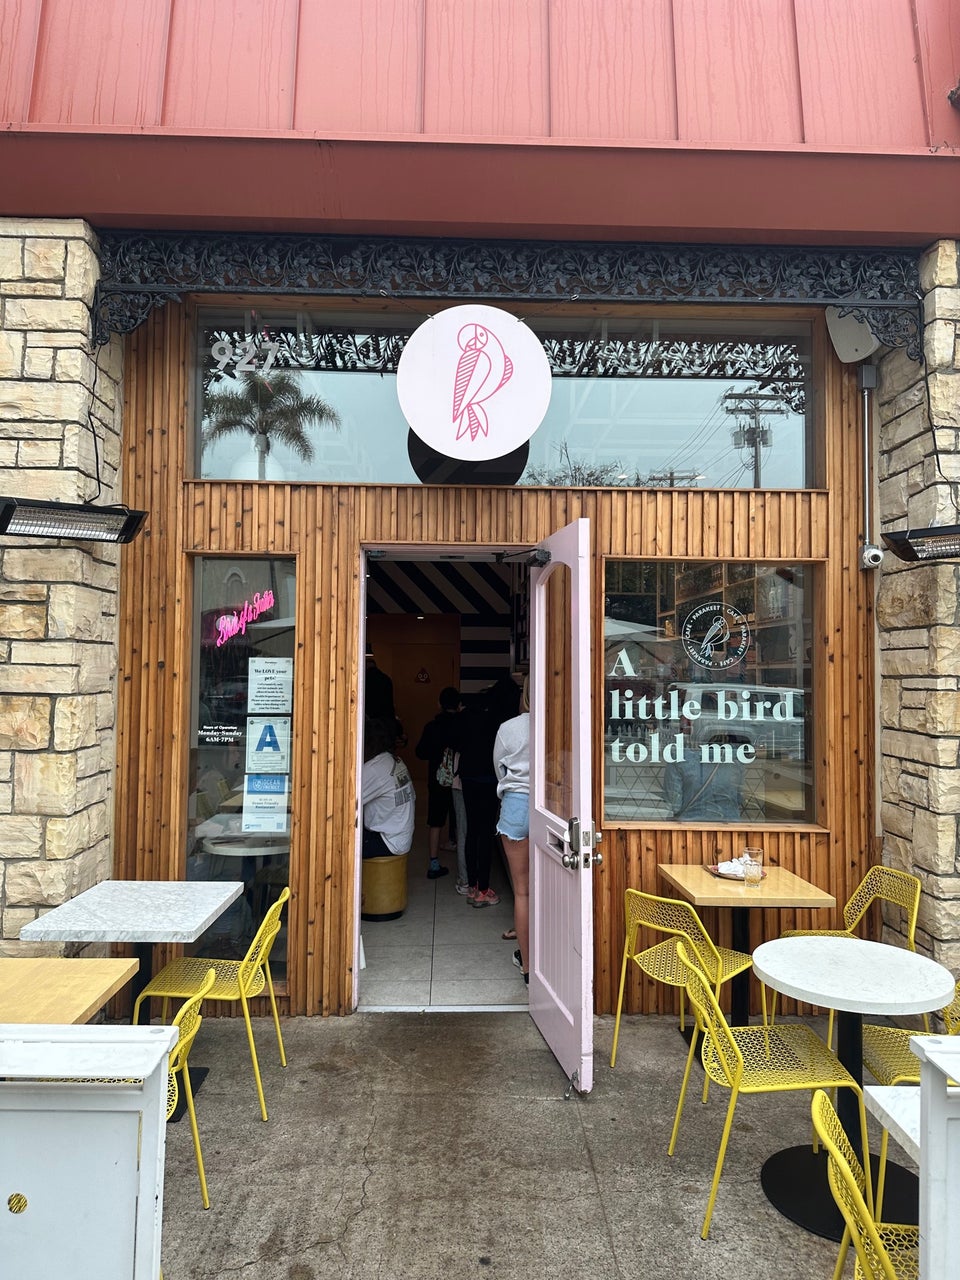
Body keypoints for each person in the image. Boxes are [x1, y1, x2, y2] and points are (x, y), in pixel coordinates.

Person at [457, 676, 522, 908]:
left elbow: (457, 742)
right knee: (485, 833)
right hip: (488, 779)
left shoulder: (471, 711)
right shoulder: (505, 719)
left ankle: (472, 885)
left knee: (472, 830)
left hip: (467, 776)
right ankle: (483, 890)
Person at [494, 676, 530, 984]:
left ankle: (528, 966)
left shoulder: (508, 728)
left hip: (516, 805)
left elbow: (499, 769)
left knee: (522, 891)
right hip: (550, 804)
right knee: (553, 887)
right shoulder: (555, 724)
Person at [414, 686, 462, 880]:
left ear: (439, 704)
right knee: (460, 820)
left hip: (437, 781)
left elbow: (420, 752)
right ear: (459, 705)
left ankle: (433, 863)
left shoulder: (431, 727)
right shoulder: (462, 725)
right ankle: (463, 867)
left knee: (435, 821)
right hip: (460, 781)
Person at [360, 717, 415, 858]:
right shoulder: (393, 760)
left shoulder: (374, 769)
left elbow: (347, 801)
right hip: (400, 836)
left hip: (388, 840)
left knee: (338, 839)